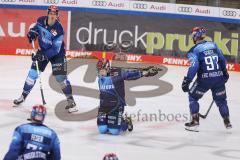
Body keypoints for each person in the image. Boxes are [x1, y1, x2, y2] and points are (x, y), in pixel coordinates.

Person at [13, 5, 77, 113]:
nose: (52, 16)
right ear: (48, 13)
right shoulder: (40, 20)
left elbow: (55, 49)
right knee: (32, 74)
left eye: (54, 14)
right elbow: (36, 29)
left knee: (60, 78)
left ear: (57, 15)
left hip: (58, 54)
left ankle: (71, 101)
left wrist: (43, 56)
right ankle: (23, 96)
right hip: (43, 50)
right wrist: (32, 33)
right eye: (51, 13)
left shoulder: (59, 29)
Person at [182, 27, 232, 130]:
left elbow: (194, 66)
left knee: (192, 97)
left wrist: (187, 80)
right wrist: (225, 73)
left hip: (204, 80)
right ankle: (227, 122)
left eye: (193, 36)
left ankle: (195, 120)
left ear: (196, 37)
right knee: (221, 101)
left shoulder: (193, 50)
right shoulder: (213, 45)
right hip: (219, 78)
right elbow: (222, 60)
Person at [96, 58, 159, 135]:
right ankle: (111, 121)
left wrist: (145, 72)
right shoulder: (100, 77)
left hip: (116, 105)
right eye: (99, 70)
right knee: (102, 129)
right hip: (103, 106)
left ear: (108, 68)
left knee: (114, 131)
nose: (100, 73)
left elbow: (131, 74)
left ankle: (125, 121)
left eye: (102, 70)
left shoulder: (118, 73)